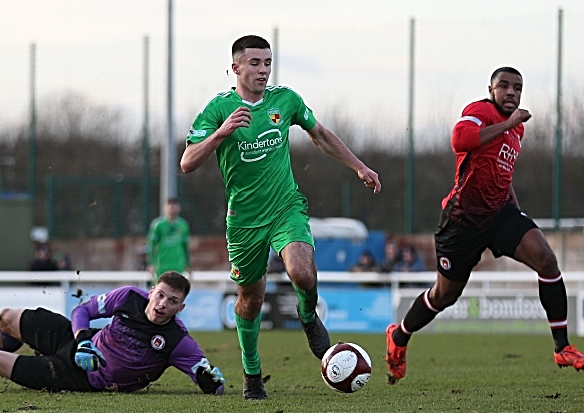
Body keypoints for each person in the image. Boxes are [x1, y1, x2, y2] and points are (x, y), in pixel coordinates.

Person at [181, 35, 381, 399]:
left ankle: (308, 316)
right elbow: (187, 162)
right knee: (250, 298)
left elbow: (319, 133)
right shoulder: (218, 109)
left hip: (286, 206)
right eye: (254, 63)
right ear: (236, 67)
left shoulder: (285, 100)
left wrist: (359, 166)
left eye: (267, 62)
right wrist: (221, 133)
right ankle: (252, 374)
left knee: (302, 272)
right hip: (243, 220)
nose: (262, 69)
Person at [385, 67, 584, 384]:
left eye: (517, 87)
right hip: (462, 221)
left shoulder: (516, 131)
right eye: (503, 86)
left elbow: (502, 173)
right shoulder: (481, 111)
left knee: (547, 260)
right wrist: (508, 123)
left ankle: (562, 347)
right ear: (491, 89)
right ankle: (399, 336)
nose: (511, 92)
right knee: (444, 296)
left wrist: (517, 214)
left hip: (500, 214)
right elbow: (459, 140)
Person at [0, 271, 226, 395]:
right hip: (75, 342)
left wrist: (212, 382)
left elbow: (206, 378)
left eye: (172, 301)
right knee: (7, 316)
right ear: (151, 291)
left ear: (180, 308)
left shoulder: (177, 341)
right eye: (159, 295)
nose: (161, 305)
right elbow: (82, 312)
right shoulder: (129, 296)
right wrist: (83, 339)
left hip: (78, 377)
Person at [146, 198, 190, 282]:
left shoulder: (183, 225)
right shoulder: (158, 225)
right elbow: (151, 245)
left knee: (176, 289)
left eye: (174, 206)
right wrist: (151, 263)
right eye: (170, 206)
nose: (172, 209)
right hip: (162, 265)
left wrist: (188, 265)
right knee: (161, 289)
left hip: (178, 265)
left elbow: (185, 247)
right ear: (165, 208)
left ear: (179, 208)